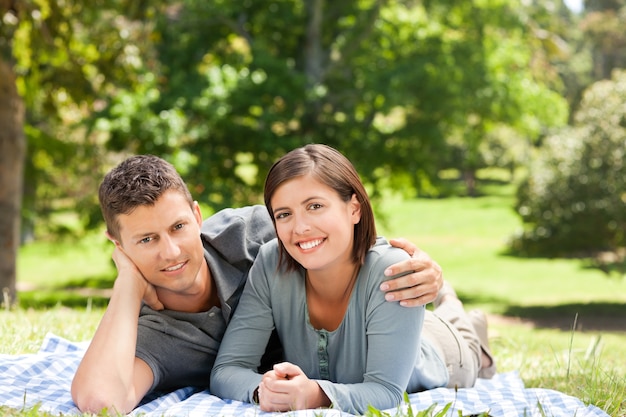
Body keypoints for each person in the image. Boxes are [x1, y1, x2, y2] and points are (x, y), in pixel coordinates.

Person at [70, 154, 444, 414]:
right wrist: (127, 285)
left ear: (197, 215)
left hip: (397, 335)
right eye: (146, 240)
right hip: (333, 356)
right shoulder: (154, 333)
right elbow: (101, 401)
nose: (170, 252)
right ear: (119, 246)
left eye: (178, 227)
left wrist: (425, 272)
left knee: (451, 327)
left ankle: (455, 309)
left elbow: (338, 237)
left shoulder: (252, 235)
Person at [210, 144, 496, 414]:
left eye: (315, 206)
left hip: (444, 353)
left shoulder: (391, 269)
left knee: (471, 349)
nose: (300, 227)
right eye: (284, 214)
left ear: (354, 208)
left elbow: (386, 391)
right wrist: (263, 390)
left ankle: (455, 308)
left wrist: (315, 395)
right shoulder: (272, 262)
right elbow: (227, 370)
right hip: (396, 324)